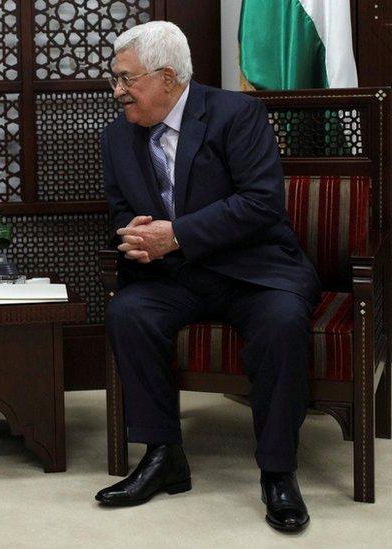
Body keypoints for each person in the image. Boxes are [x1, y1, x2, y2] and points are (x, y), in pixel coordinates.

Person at [95, 21, 319, 532]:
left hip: (254, 269)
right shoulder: (117, 136)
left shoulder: (236, 114)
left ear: (167, 77)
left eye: (127, 79)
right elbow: (119, 209)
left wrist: (176, 235)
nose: (118, 92)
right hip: (176, 277)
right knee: (128, 313)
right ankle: (163, 456)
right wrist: (129, 233)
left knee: (282, 322)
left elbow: (260, 203)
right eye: (116, 80)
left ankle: (278, 472)